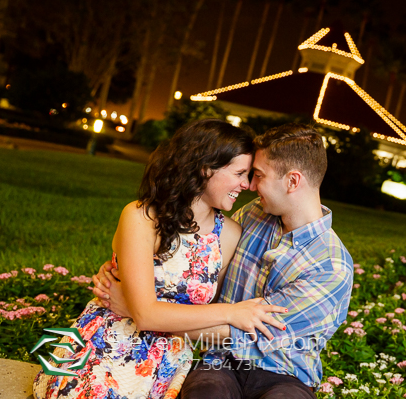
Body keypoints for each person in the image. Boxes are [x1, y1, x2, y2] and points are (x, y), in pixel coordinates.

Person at [93, 123, 354, 399]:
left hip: (285, 375)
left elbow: (249, 334)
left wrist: (139, 311)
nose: (250, 186)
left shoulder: (332, 265)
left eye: (258, 175)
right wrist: (129, 272)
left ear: (292, 181)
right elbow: (195, 267)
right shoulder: (252, 216)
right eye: (246, 174)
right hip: (220, 365)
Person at [33, 119, 287, 399]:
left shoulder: (228, 235)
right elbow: (146, 315)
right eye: (240, 173)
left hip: (168, 359)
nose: (247, 185)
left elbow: (212, 328)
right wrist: (232, 313)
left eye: (249, 174)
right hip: (109, 343)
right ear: (205, 168)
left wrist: (221, 319)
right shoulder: (141, 217)